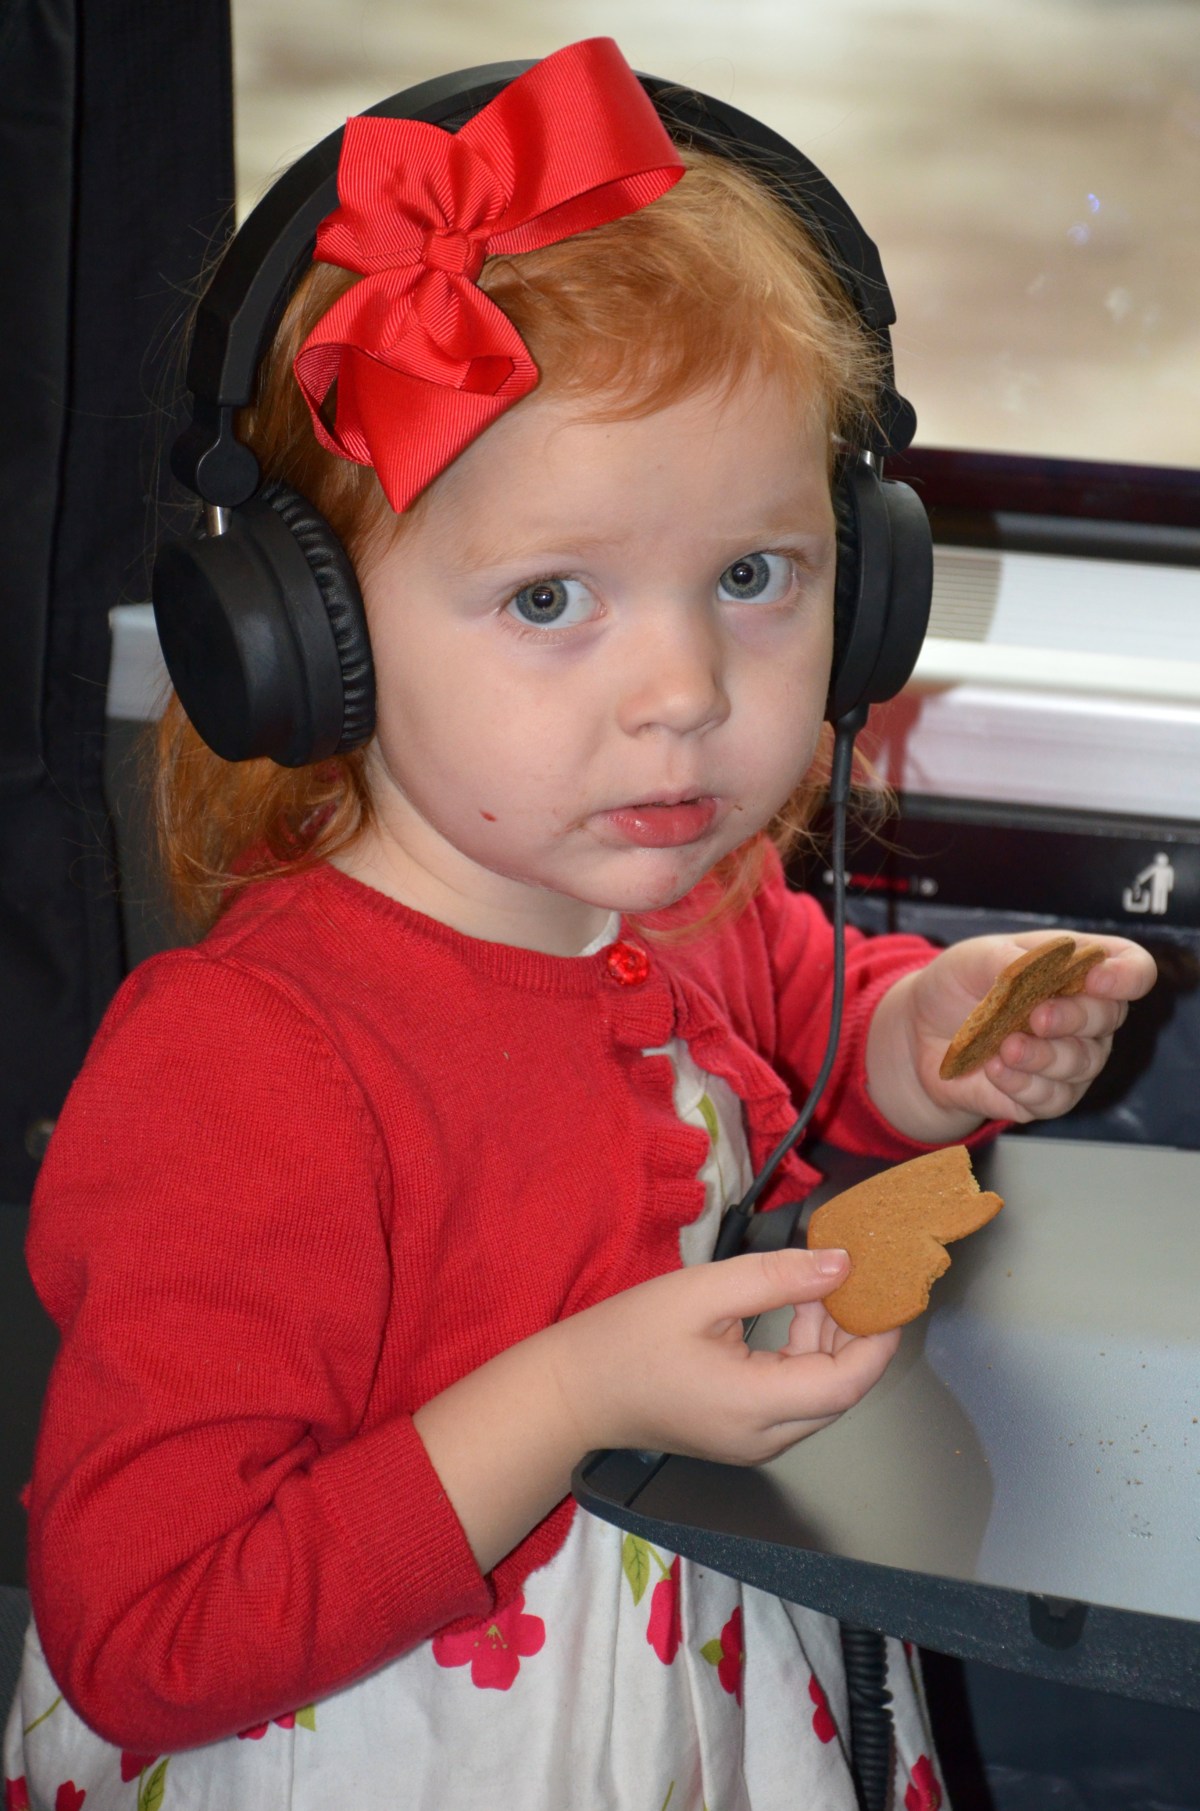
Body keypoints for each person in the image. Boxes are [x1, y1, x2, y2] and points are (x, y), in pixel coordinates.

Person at [4, 39, 1155, 1811]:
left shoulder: (683, 900)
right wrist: (565, 1401)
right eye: (550, 598)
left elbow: (800, 1041)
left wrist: (923, 1045)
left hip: (706, 1689)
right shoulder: (244, 1072)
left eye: (754, 577)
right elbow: (149, 1633)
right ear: (307, 635)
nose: (684, 691)